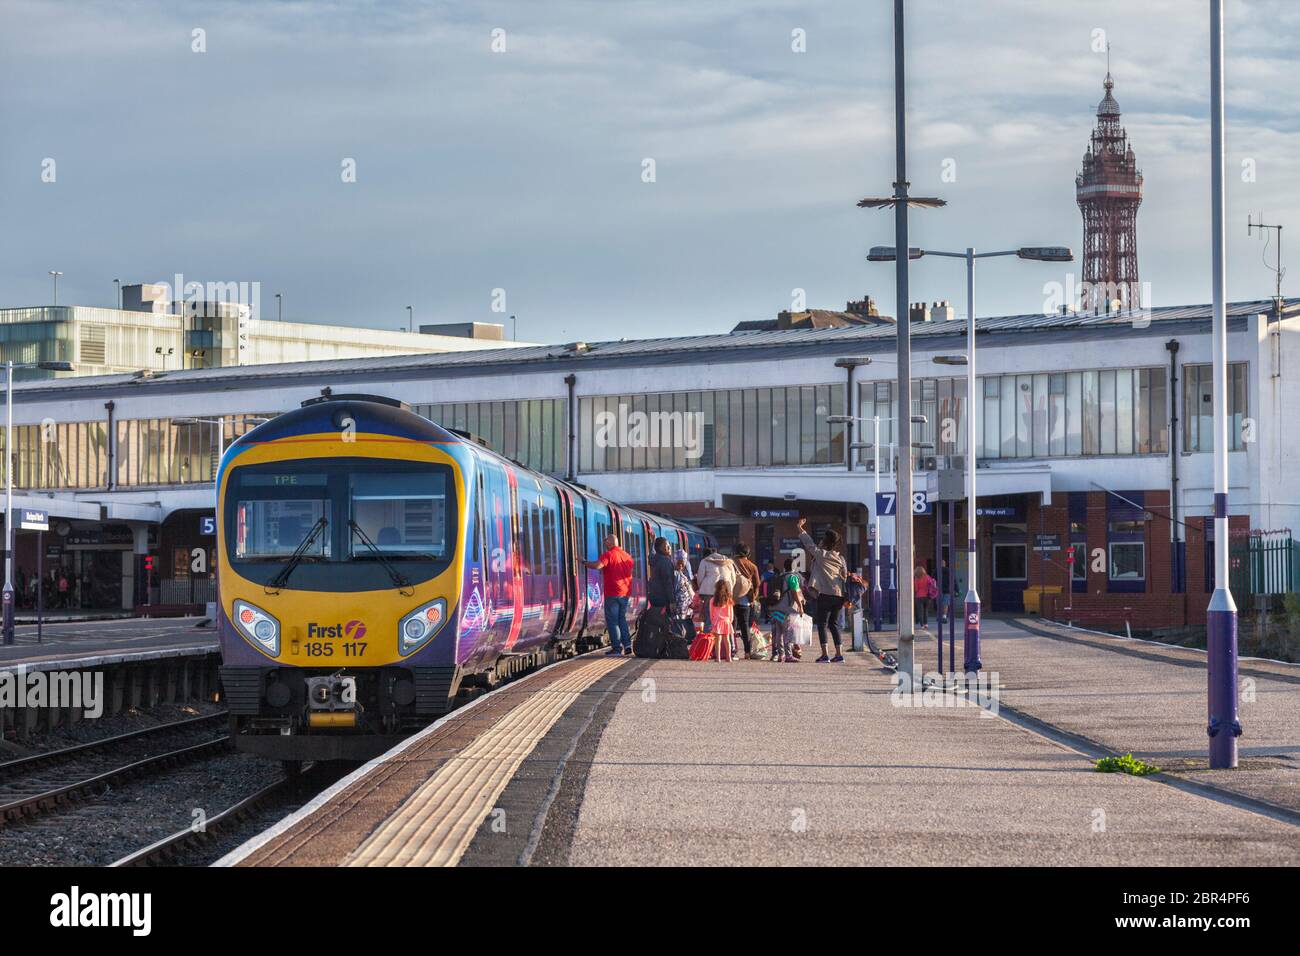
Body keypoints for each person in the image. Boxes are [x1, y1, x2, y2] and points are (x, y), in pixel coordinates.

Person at [796, 517, 848, 663]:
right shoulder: (840, 558)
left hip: (825, 594)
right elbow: (844, 574)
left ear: (824, 543)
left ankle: (825, 654)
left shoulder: (821, 555)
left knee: (822, 624)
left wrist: (800, 528)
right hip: (839, 595)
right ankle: (839, 654)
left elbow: (808, 543)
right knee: (834, 624)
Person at [585, 534, 634, 656]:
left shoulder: (609, 554)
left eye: (605, 540)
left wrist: (583, 562)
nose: (604, 542)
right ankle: (627, 645)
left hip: (612, 593)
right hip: (625, 593)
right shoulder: (627, 556)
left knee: (613, 621)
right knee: (622, 619)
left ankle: (617, 649)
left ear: (611, 543)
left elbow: (597, 566)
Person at [769, 557, 804, 663]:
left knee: (779, 632)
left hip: (776, 607)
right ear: (794, 567)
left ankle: (781, 655)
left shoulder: (779, 576)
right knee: (788, 632)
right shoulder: (792, 577)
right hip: (786, 608)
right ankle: (788, 655)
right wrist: (800, 605)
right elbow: (794, 591)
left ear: (784, 567)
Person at [732, 544, 760, 659]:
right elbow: (757, 584)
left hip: (731, 599)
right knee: (745, 626)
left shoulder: (731, 563)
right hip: (745, 600)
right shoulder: (752, 566)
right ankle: (747, 652)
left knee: (731, 626)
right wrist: (753, 598)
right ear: (748, 553)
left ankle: (732, 650)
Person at [673, 548, 697, 642]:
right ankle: (683, 639)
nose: (681, 565)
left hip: (686, 605)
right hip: (681, 604)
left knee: (685, 621)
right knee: (681, 622)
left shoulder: (681, 573)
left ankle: (687, 638)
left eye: (682, 564)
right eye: (679, 563)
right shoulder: (676, 574)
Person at [709, 580, 735, 662]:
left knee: (718, 641)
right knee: (727, 640)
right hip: (726, 621)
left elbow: (711, 612)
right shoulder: (728, 599)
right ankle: (729, 657)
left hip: (717, 621)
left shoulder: (713, 600)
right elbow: (731, 612)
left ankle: (718, 658)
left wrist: (713, 622)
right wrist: (730, 620)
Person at [913, 564, 937, 629]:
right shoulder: (927, 576)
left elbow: (916, 588)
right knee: (925, 610)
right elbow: (931, 583)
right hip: (927, 596)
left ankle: (922, 625)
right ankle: (926, 624)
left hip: (919, 596)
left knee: (920, 611)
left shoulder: (916, 578)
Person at [936, 558, 952, 625]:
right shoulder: (949, 571)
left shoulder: (936, 571)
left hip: (939, 589)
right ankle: (944, 616)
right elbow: (953, 580)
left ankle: (939, 616)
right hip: (947, 589)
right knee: (946, 604)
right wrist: (956, 589)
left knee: (939, 603)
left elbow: (933, 580)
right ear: (945, 564)